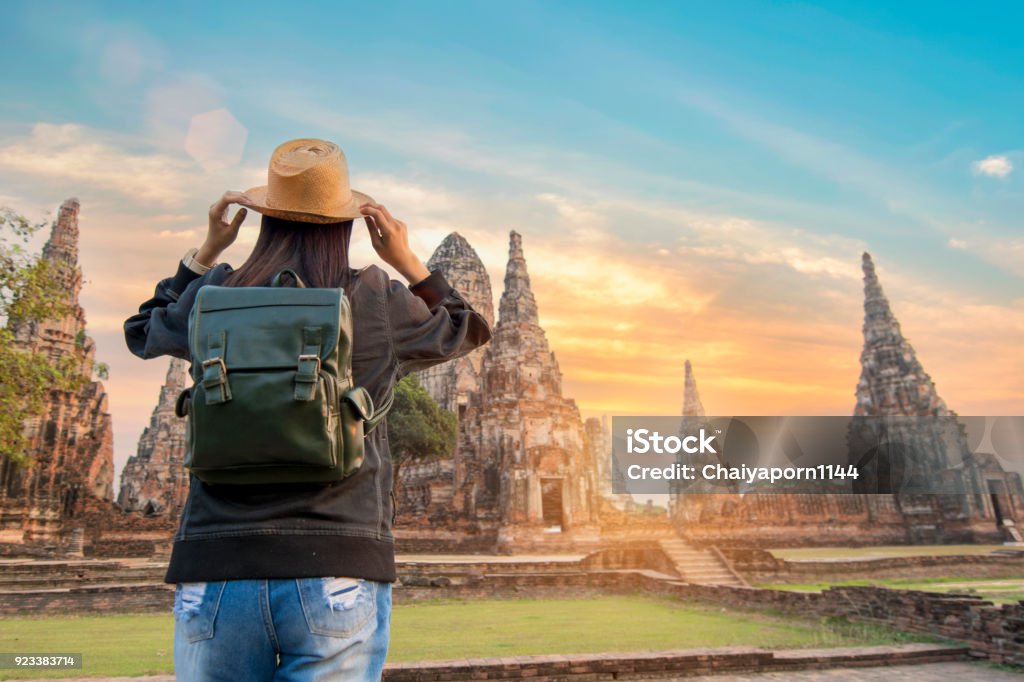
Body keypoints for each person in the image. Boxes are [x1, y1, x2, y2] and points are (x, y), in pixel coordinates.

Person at [123, 138, 492, 681]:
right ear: (345, 225)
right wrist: (406, 260)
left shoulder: (213, 295)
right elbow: (469, 329)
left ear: (264, 221)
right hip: (338, 562)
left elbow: (141, 332)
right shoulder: (374, 298)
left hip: (218, 560)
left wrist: (205, 252)